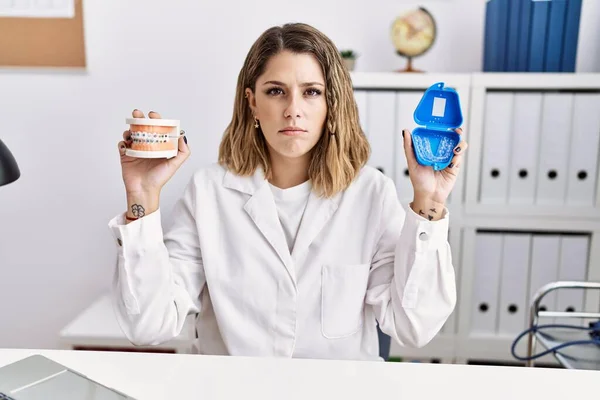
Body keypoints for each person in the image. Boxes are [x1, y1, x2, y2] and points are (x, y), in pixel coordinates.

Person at [109, 22, 468, 361]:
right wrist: (142, 197)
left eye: (311, 92)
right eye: (276, 91)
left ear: (332, 105)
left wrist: (430, 203)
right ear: (252, 102)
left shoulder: (371, 194)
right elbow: (148, 325)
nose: (293, 110)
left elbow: (414, 326)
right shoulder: (209, 193)